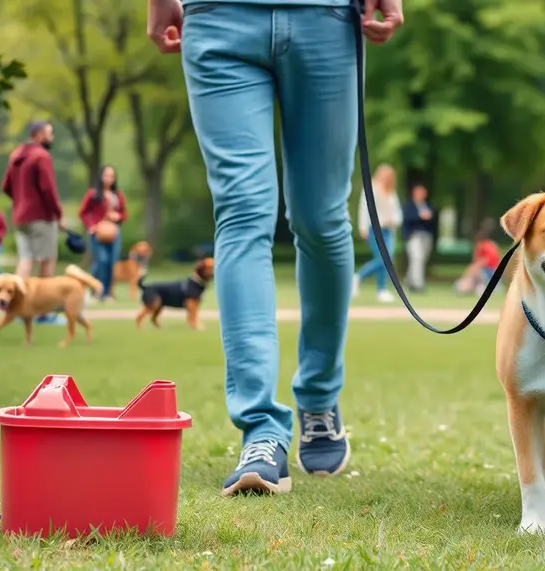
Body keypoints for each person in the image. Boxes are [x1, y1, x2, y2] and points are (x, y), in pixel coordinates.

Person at [147, 0, 404, 494]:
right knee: (242, 214)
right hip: (218, 19)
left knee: (323, 218)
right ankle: (261, 429)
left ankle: (318, 397)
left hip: (325, 18)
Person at [2, 121, 66, 324]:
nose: (52, 138)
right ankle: (44, 313)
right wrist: (58, 213)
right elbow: (48, 189)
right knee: (47, 261)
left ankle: (18, 309)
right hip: (41, 216)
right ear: (39, 135)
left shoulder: (16, 155)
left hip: (21, 216)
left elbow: (6, 186)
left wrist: (21, 200)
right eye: (50, 133)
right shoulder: (41, 156)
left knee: (25, 260)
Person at [353, 164, 402, 303]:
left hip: (388, 230)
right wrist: (362, 227)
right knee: (383, 259)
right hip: (374, 229)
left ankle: (381, 289)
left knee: (387, 259)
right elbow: (364, 209)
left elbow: (397, 213)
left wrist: (394, 220)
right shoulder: (371, 188)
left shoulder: (391, 192)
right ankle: (359, 276)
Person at [79, 165, 127, 302]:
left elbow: (124, 213)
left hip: (114, 233)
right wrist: (91, 225)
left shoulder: (117, 196)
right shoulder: (93, 194)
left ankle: (106, 293)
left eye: (112, 176)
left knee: (112, 262)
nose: (109, 179)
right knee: (101, 261)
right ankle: (94, 290)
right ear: (101, 177)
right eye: (106, 175)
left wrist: (118, 217)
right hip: (97, 233)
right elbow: (83, 212)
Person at [402, 184, 435, 292]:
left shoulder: (428, 205)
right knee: (417, 257)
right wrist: (420, 216)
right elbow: (406, 218)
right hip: (414, 235)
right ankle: (418, 284)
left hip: (426, 235)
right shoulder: (409, 205)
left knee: (421, 259)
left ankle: (409, 280)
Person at [454, 219, 501, 295]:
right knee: (474, 270)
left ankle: (466, 285)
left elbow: (481, 261)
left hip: (489, 272)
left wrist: (467, 274)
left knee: (474, 269)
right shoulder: (492, 245)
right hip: (493, 272)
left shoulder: (482, 246)